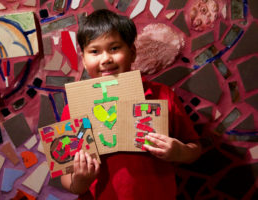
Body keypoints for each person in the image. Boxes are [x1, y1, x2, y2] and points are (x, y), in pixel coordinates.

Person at [60, 9, 201, 200]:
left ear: (132, 52)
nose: (106, 59)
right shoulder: (74, 109)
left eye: (114, 48)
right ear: (84, 61)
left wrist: (179, 152)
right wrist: (81, 179)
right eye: (94, 51)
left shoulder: (161, 95)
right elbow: (67, 179)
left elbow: (195, 148)